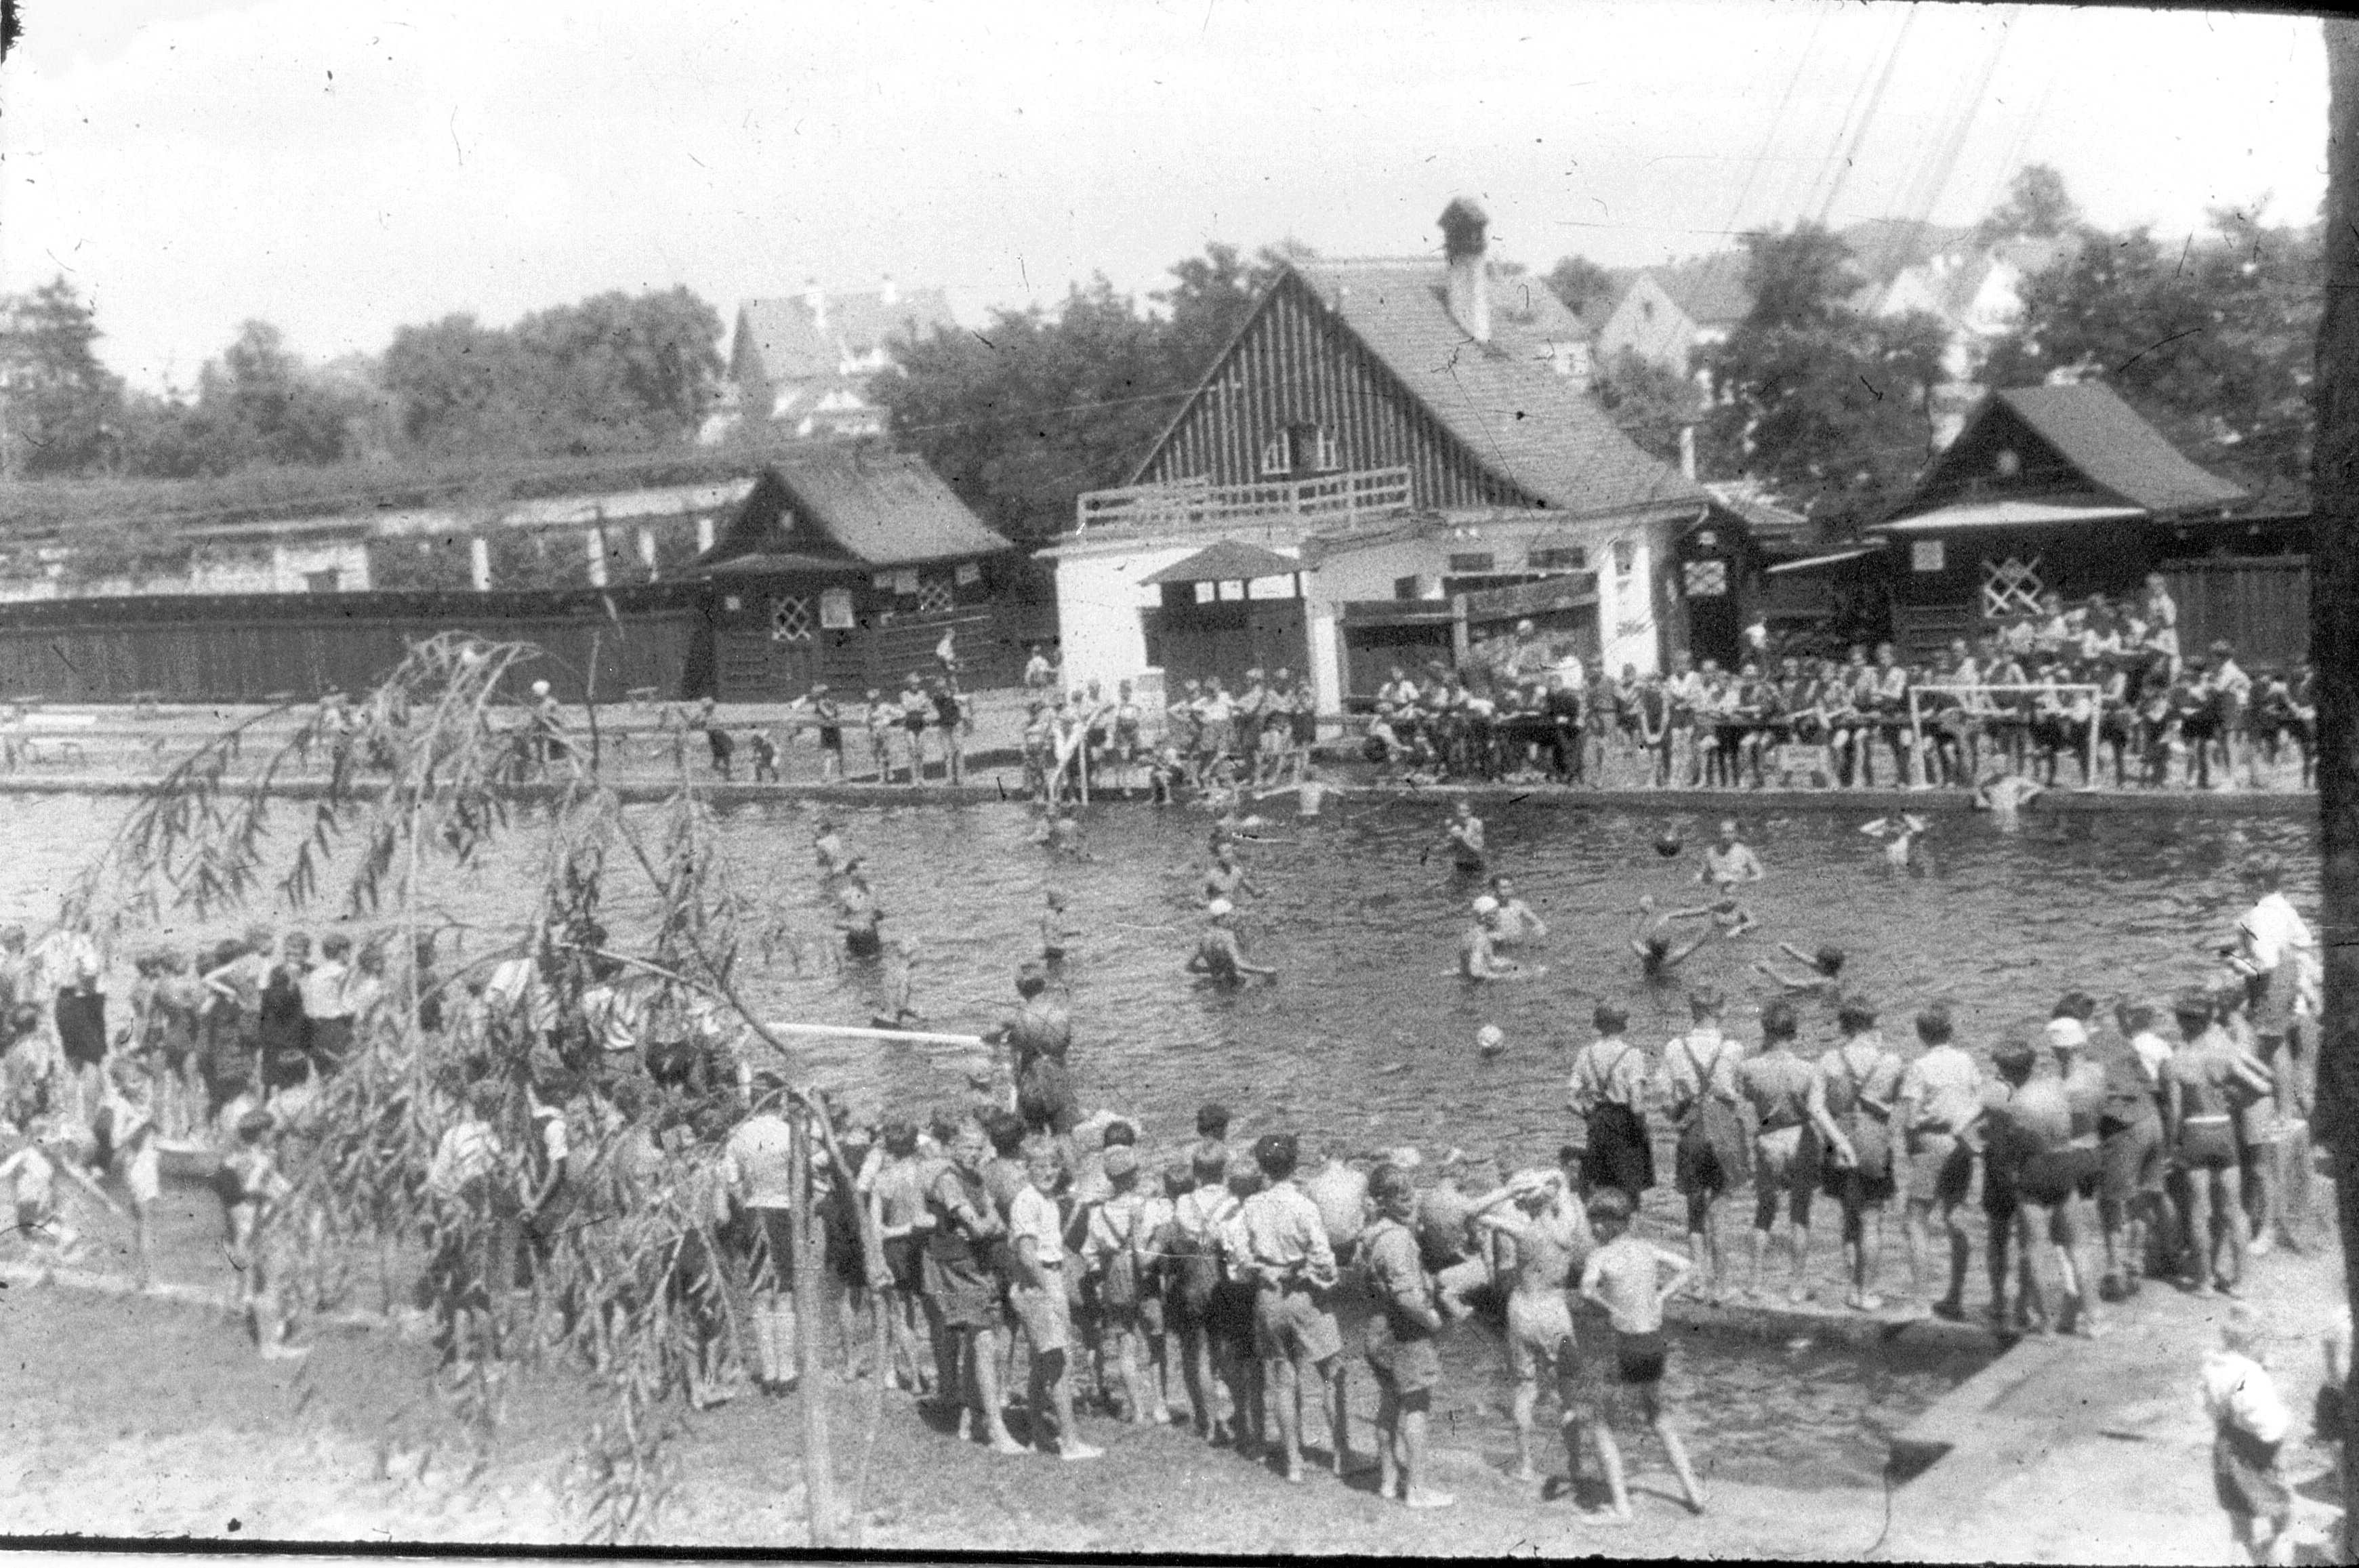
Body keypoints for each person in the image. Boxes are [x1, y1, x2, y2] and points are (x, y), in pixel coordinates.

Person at [1576, 1189, 1706, 1523]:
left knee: (1600, 1422)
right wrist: (1661, 1296)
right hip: (1654, 1342)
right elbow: (1689, 1267)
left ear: (1605, 1225)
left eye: (1595, 1222)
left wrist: (1609, 1307)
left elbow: (1587, 1290)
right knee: (1657, 1415)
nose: (1593, 1228)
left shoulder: (1601, 1256)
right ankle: (1693, 1491)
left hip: (1626, 1344)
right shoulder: (1647, 1249)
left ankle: (1622, 1508)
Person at [1471, 1167, 1598, 1493]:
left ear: (1525, 1204)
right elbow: (1567, 1192)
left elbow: (1478, 1215)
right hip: (1554, 1310)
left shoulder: (1518, 1229)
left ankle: (1526, 1465)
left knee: (1525, 1388)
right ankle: (1575, 1466)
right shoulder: (1564, 1228)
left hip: (1521, 1309)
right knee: (1567, 1391)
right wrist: (1555, 1176)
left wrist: (1513, 1192)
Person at [1235, 1131, 1349, 1485]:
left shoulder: (1251, 1206)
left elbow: (1238, 1251)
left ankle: (1294, 1462)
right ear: (1295, 1164)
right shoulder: (1303, 1205)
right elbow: (1325, 1262)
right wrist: (1319, 1278)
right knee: (1333, 1371)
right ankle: (1342, 1457)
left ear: (1263, 1166)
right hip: (1302, 1293)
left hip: (1268, 1295)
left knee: (1283, 1377)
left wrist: (1262, 1268)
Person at [924, 1121, 1024, 1453]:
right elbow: (981, 1227)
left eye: (978, 1148)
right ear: (953, 1147)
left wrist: (985, 1227)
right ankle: (996, 1428)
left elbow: (994, 1223)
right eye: (966, 1147)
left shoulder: (977, 1180)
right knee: (983, 1339)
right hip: (955, 1268)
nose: (972, 1154)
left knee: (980, 1339)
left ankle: (972, 1417)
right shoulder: (948, 1181)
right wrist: (984, 1227)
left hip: (975, 1265)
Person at [1360, 1163, 1453, 1509]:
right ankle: (1416, 1490)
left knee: (1388, 1403)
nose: (1412, 1200)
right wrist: (1432, 1319)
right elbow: (1407, 1297)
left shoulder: (1371, 1234)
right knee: (1416, 1407)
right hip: (1404, 1334)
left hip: (1377, 1331)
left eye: (1412, 1193)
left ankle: (1388, 1480)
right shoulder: (1398, 1240)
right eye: (1403, 1196)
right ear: (1385, 1201)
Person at [1010, 1138, 1103, 1460]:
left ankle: (1038, 1433)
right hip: (1040, 1284)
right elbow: (1026, 1254)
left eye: (1054, 1165)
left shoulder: (1046, 1199)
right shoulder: (1027, 1201)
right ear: (1027, 1169)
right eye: (1040, 1166)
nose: (1049, 1172)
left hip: (1050, 1277)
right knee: (1058, 1363)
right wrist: (1050, 1290)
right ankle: (1071, 1443)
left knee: (1041, 1363)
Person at [1810, 995, 1903, 1312]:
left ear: (1845, 1026)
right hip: (1875, 1142)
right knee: (1872, 1221)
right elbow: (1901, 1109)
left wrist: (1838, 1140)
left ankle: (1852, 1289)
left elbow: (1815, 1107)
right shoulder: (1891, 1061)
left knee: (1849, 1219)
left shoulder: (1829, 1060)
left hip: (1838, 1144)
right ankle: (1869, 1292)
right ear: (1872, 1025)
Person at [1896, 1003, 1983, 1320]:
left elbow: (1910, 1117)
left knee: (1915, 1219)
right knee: (1955, 1217)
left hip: (1931, 1144)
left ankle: (1920, 1300)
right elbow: (1978, 1101)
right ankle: (1955, 1297)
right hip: (1961, 1144)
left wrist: (1908, 1144)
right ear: (1951, 1031)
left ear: (1921, 1034)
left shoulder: (1919, 1067)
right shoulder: (1967, 1060)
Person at [1663, 987, 1748, 1303]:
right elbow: (1738, 1091)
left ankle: (1697, 1283)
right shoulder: (1733, 1048)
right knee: (1720, 1211)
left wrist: (1679, 1116)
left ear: (1692, 1010)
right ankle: (1723, 1286)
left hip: (1691, 1127)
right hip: (1723, 1125)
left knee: (1694, 1211)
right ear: (1721, 1010)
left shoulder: (1675, 1048)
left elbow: (1666, 1100)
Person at [1163, 1138, 1248, 1446]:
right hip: (1221, 1282)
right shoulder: (1232, 1201)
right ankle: (1240, 1416)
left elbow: (1175, 1241)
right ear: (1224, 1170)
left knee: (1199, 1354)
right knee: (1228, 1354)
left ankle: (1210, 1423)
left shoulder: (1184, 1203)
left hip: (1190, 1281)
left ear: (1196, 1172)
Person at [1737, 997, 1819, 1304]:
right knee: (1799, 1214)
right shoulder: (1808, 1070)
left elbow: (1745, 1097)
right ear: (1794, 1033)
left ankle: (1755, 1283)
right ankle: (1797, 1286)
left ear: (1765, 1031)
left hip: (1768, 1138)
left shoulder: (1749, 1067)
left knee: (1764, 1213)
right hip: (1799, 1138)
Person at [2202, 1303, 2299, 1565]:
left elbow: (2211, 1408)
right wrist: (2285, 1421)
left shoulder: (2214, 1367)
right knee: (2283, 1521)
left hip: (2224, 1450)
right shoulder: (2250, 1375)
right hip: (2255, 1457)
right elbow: (2268, 1427)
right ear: (2254, 1341)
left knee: (2240, 1531)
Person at [722, 1077, 801, 1395]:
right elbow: (801, 1175)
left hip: (753, 1213)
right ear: (778, 1100)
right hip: (782, 1211)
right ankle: (786, 1371)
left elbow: (732, 1180)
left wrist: (745, 1202)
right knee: (783, 1292)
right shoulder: (787, 1133)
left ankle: (770, 1371)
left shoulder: (739, 1136)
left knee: (759, 1292)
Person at [1082, 1142, 1167, 1428]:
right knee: (1155, 1344)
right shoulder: (1149, 1207)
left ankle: (1137, 1409)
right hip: (1146, 1282)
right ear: (1134, 1175)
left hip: (1116, 1284)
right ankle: (1160, 1405)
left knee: (1125, 1345)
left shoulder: (1099, 1214)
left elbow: (1090, 1255)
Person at [218, 1107, 308, 1360]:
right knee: (269, 1285)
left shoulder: (233, 1159)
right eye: (271, 1132)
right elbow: (258, 1187)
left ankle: (269, 1342)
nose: (274, 1136)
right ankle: (271, 1346)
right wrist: (275, 1196)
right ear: (261, 1134)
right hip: (261, 1227)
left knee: (260, 1286)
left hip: (243, 1229)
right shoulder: (262, 1161)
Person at [1567, 1003, 1653, 1205]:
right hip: (1625, 1125)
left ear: (1598, 1024)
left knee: (1599, 1191)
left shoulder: (1585, 1054)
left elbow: (1570, 1101)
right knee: (1629, 1195)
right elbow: (1637, 1105)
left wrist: (1589, 1116)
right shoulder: (1632, 1054)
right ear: (1624, 1024)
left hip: (1597, 1125)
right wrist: (1643, 1129)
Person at [1189, 900, 1277, 987]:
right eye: (1229, 916)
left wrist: (1212, 971)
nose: (1231, 919)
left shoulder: (1203, 938)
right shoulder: (1227, 936)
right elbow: (1239, 964)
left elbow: (1190, 966)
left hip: (1218, 986)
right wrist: (1264, 970)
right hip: (1235, 985)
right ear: (1221, 917)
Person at [1629, 895, 1711, 982]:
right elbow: (1692, 946)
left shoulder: (1645, 955)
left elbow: (1632, 938)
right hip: (1662, 981)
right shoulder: (1668, 961)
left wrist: (1644, 914)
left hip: (1649, 981)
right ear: (1665, 952)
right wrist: (1707, 931)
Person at [1459, 896, 1530, 982]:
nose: (1499, 917)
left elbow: (1470, 965)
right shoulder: (1480, 939)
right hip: (1479, 989)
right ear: (1483, 918)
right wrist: (1507, 977)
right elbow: (1476, 972)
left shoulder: (1471, 933)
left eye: (1498, 912)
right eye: (1495, 914)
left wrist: (1506, 963)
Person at [1754, 943, 1845, 999]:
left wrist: (1768, 969)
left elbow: (1788, 985)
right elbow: (1810, 961)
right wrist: (1789, 950)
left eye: (1818, 962)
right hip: (1817, 996)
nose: (1815, 963)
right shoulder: (1833, 974)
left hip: (1821, 1006)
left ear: (1824, 965)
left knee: (1768, 996)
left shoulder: (1823, 982)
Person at [1699, 818, 1764, 888]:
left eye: (1730, 832)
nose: (1726, 836)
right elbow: (1701, 875)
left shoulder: (1745, 852)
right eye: (1724, 832)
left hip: (1739, 891)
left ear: (1736, 834)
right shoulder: (1711, 852)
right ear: (1719, 834)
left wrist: (1744, 883)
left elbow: (1761, 874)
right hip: (1715, 892)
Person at [1487, 874, 1548, 947]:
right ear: (1494, 890)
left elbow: (1537, 922)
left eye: (1510, 887)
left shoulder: (1518, 905)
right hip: (1500, 948)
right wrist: (1492, 937)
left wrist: (1540, 930)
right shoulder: (1488, 909)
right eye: (1504, 888)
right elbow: (1477, 934)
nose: (1508, 891)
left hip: (1519, 946)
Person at [1438, 800, 1485, 875]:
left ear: (1471, 812)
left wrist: (1463, 838)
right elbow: (1445, 850)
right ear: (1456, 812)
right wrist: (1451, 839)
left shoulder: (1476, 825)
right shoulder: (1453, 825)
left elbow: (1478, 849)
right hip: (1460, 863)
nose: (1463, 814)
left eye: (1466, 811)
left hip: (1475, 863)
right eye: (1460, 811)